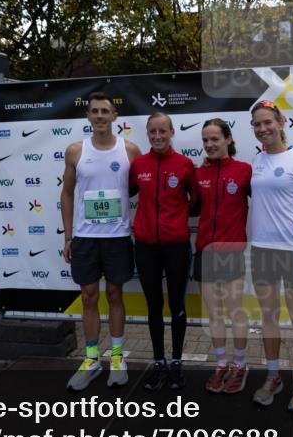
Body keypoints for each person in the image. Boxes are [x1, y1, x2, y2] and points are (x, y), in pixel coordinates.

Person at [61, 91, 141, 391]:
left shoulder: (130, 150)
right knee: (88, 296)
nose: (99, 116)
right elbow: (67, 193)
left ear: (114, 117)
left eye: (104, 111)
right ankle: (92, 358)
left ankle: (118, 358)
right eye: (94, 111)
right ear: (88, 117)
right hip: (85, 237)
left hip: (118, 237)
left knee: (116, 296)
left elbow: (140, 189)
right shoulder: (75, 151)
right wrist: (68, 235)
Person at [248, 100, 293, 413]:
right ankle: (273, 375)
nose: (263, 129)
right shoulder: (256, 161)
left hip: (292, 251)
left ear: (280, 122)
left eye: (267, 122)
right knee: (269, 316)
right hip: (262, 250)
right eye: (257, 125)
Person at [129, 112, 195, 390]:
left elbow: (195, 201)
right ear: (147, 134)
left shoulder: (185, 164)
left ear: (171, 132)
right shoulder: (138, 165)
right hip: (145, 247)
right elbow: (130, 193)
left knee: (177, 306)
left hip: (177, 246)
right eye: (152, 132)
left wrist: (176, 220)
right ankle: (158, 362)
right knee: (154, 306)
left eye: (162, 131)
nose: (157, 136)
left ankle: (176, 362)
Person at [192, 118, 252, 394]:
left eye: (215, 138)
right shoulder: (199, 174)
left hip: (232, 251)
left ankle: (240, 366)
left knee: (235, 310)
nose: (209, 144)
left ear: (228, 139)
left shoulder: (244, 171)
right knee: (214, 313)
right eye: (205, 140)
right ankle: (221, 365)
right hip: (205, 250)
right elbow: (192, 208)